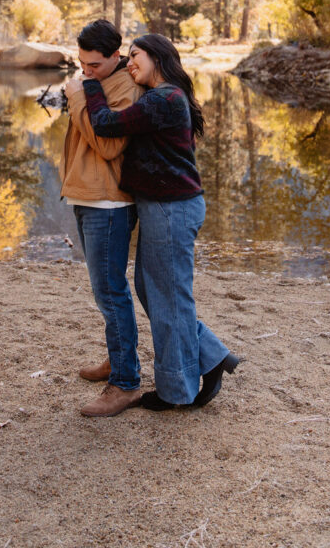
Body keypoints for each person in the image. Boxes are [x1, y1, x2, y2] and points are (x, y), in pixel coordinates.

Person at [80, 33, 240, 410]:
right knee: (156, 293)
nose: (130, 63)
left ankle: (176, 393)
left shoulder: (164, 98)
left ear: (159, 57)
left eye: (136, 57)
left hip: (172, 208)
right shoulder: (163, 97)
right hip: (164, 206)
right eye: (128, 57)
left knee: (168, 298)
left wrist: (88, 82)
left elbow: (103, 122)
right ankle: (212, 356)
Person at [61, 20, 143, 418]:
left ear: (116, 56)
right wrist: (83, 91)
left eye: (94, 64)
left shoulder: (126, 87)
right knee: (104, 291)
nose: (86, 71)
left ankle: (126, 383)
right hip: (88, 196)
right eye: (82, 63)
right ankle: (118, 358)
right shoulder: (96, 81)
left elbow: (109, 146)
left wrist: (78, 97)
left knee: (111, 292)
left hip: (108, 203)